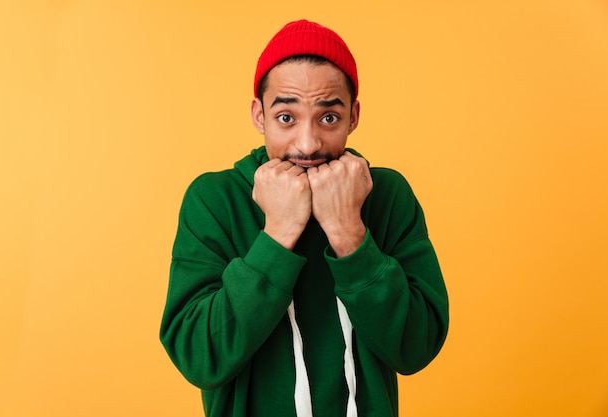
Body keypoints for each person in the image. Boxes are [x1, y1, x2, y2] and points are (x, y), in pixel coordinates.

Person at [160, 19, 449, 417]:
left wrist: (350, 233)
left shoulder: (386, 196)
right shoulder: (214, 199)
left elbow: (417, 347)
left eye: (328, 117)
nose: (308, 143)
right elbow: (199, 357)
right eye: (286, 118)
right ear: (259, 116)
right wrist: (277, 235)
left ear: (354, 115)